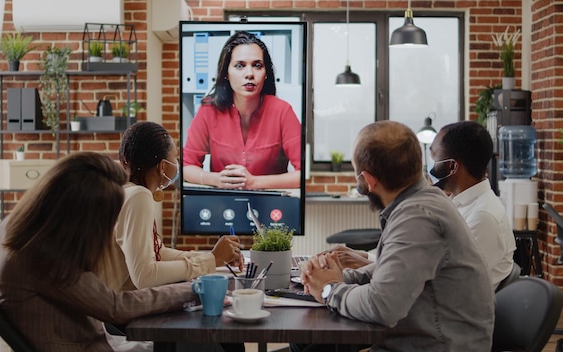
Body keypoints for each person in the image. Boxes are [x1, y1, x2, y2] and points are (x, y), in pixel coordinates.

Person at [0, 152, 199, 352]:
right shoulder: (46, 260)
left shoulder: (9, 228)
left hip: (89, 339)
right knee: (196, 344)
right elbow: (117, 307)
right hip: (86, 346)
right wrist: (193, 289)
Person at [297, 121, 494, 351]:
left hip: (437, 346)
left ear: (368, 181)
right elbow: (392, 270)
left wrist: (330, 289)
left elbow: (382, 306)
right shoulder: (423, 201)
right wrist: (338, 276)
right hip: (423, 340)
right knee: (307, 344)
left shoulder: (418, 217)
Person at [97, 121, 244, 292]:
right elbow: (145, 276)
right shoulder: (138, 196)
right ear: (162, 166)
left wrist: (212, 257)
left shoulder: (125, 191)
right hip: (112, 312)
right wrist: (211, 260)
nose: (178, 164)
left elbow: (158, 253)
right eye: (175, 157)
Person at [183, 31, 301, 190]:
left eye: (257, 65)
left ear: (266, 73)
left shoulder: (282, 111)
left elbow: (303, 174)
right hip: (221, 205)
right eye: (240, 66)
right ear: (226, 73)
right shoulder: (209, 110)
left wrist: (255, 182)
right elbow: (186, 166)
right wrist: (216, 179)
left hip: (272, 206)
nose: (249, 74)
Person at [429, 120, 516, 290]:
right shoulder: (459, 202)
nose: (431, 165)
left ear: (451, 166)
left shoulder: (483, 217)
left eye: (434, 157)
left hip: (453, 311)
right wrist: (370, 260)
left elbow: (446, 281)